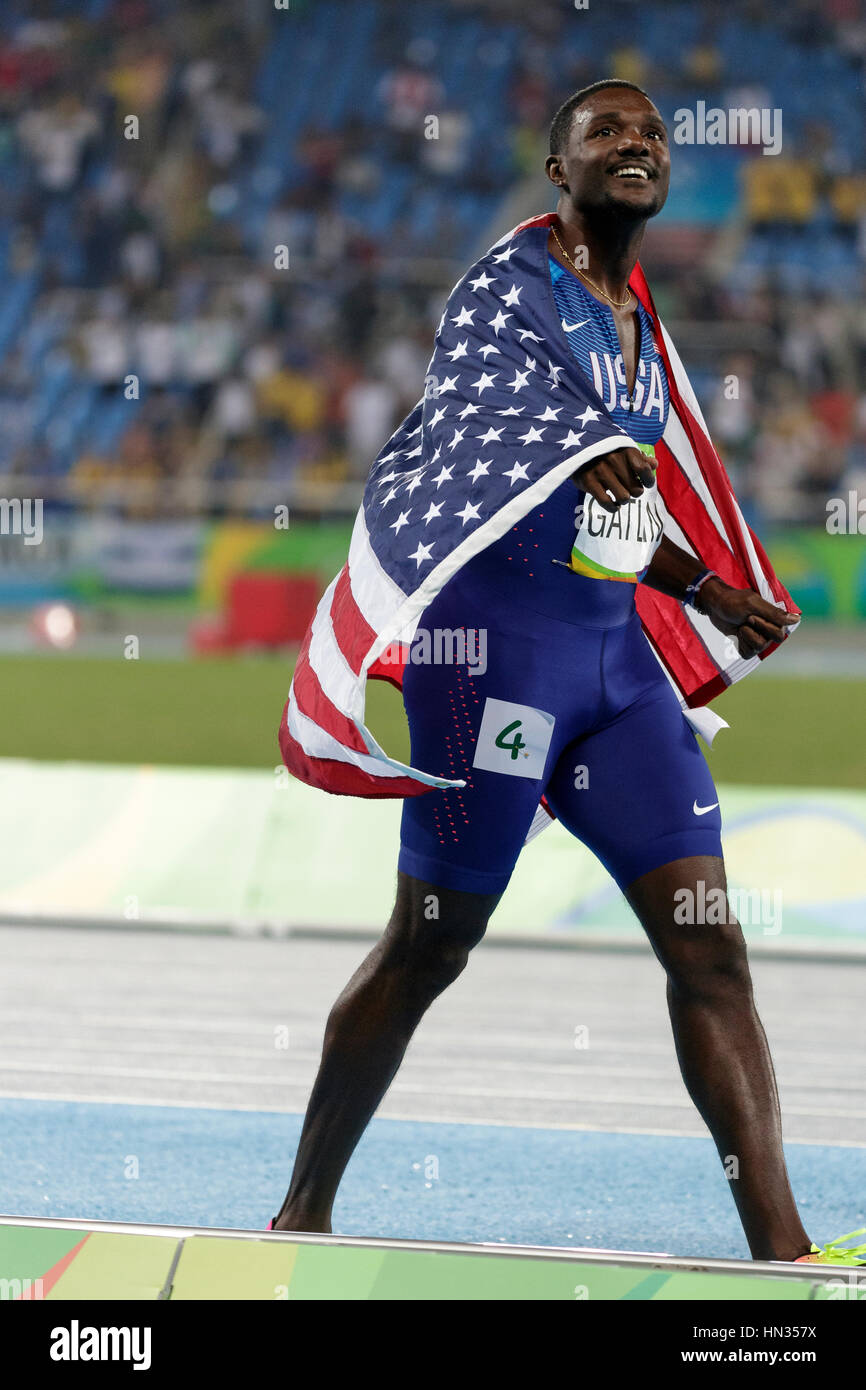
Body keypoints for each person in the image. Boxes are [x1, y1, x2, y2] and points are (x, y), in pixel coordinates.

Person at [272, 80, 865, 1268]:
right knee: (429, 942)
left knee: (708, 945)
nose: (635, 143)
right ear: (559, 170)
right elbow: (481, 417)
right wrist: (576, 449)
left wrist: (701, 588)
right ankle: (300, 1214)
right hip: (490, 667)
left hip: (612, 669)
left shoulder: (636, 319)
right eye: (606, 131)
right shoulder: (510, 284)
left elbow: (618, 497)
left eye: (648, 132)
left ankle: (784, 1257)